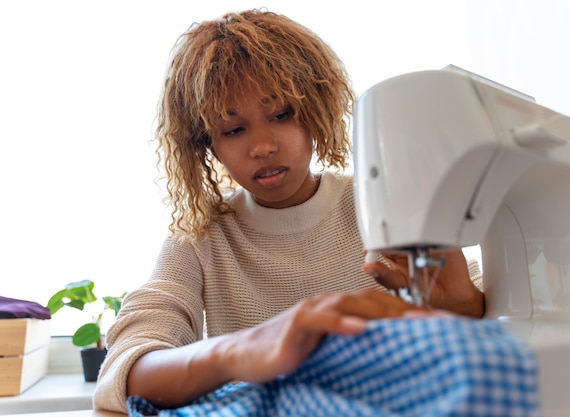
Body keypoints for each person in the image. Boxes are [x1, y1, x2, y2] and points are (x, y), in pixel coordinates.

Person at [93, 9, 485, 414]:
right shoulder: (200, 236)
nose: (262, 146)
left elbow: (487, 310)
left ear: (315, 112)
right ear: (207, 145)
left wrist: (462, 307)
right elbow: (125, 370)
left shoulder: (378, 204)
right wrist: (240, 350)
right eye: (232, 130)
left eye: (281, 115)